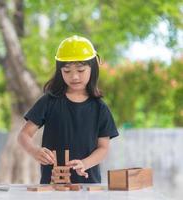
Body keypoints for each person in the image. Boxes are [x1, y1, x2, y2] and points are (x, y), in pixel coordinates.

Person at [18, 35, 119, 184]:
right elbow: (23, 135)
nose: (74, 77)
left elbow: (103, 148)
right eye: (67, 71)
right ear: (60, 71)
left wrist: (85, 163)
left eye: (80, 70)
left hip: (88, 187)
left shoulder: (100, 108)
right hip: (52, 187)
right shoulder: (49, 101)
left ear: (93, 68)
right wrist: (35, 151)